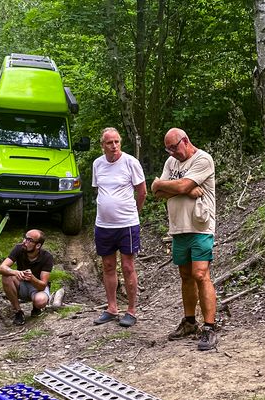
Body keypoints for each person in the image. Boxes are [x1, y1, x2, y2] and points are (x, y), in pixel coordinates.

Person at [150, 129, 218, 351]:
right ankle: (189, 321)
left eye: (174, 147)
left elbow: (172, 186)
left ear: (185, 141)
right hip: (178, 227)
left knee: (200, 273)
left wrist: (170, 186)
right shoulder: (171, 162)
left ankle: (209, 327)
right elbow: (156, 191)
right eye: (168, 149)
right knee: (185, 275)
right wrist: (183, 189)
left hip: (200, 226)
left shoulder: (203, 159)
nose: (171, 152)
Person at [91, 128, 147, 327]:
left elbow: (142, 192)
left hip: (127, 224)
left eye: (116, 142)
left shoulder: (131, 162)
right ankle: (112, 307)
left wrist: (134, 213)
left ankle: (131, 310)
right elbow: (100, 190)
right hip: (103, 225)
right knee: (107, 266)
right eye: (109, 143)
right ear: (102, 145)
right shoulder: (97, 164)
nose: (114, 146)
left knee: (128, 266)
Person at [0, 229, 53, 326]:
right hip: (21, 284)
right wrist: (15, 272)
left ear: (38, 245)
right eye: (25, 238)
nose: (24, 242)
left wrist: (32, 278)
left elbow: (43, 285)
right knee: (6, 275)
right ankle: (18, 312)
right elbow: (1, 268)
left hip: (37, 287)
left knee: (40, 301)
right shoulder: (19, 248)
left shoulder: (47, 257)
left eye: (29, 240)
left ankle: (36, 308)